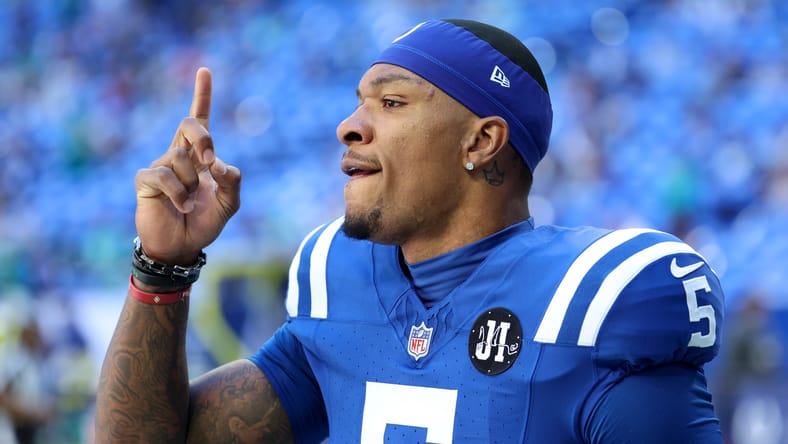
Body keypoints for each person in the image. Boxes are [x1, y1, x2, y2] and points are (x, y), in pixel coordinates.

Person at [95, 19, 725, 443]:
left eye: (390, 103)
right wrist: (162, 265)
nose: (349, 126)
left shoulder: (588, 305)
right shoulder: (339, 281)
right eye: (359, 102)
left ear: (481, 141)